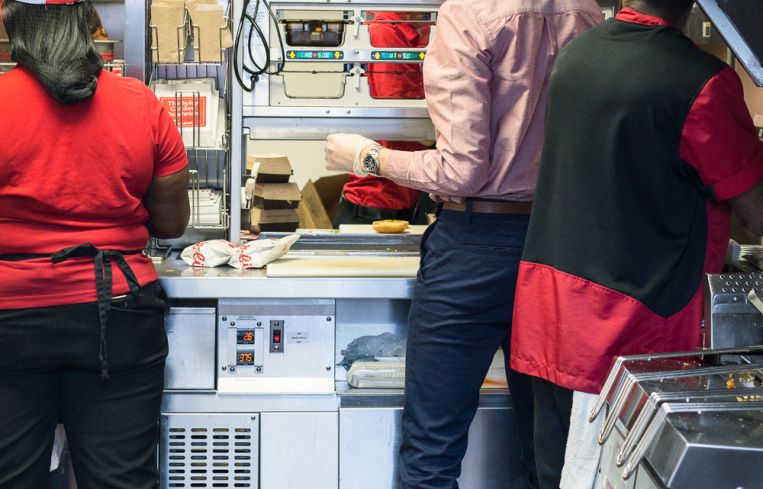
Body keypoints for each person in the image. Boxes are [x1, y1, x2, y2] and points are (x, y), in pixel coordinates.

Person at [324, 1, 602, 487]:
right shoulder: (586, 11)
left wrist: (366, 156)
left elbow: (461, 170)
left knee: (433, 445)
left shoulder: (470, 13)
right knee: (551, 448)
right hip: (561, 243)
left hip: (475, 246)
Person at [509, 1, 763, 488]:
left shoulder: (578, 56)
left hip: (555, 312)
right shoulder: (699, 81)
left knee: (554, 472)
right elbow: (755, 209)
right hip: (632, 330)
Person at [0, 0, 190, 487]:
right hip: (119, 311)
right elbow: (171, 224)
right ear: (90, 24)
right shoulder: (140, 104)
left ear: (11, 23)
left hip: (11, 313)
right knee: (121, 479)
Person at [333, 11, 430, 227]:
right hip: (376, 204)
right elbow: (400, 124)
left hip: (405, 196)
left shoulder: (419, 30)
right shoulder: (386, 31)